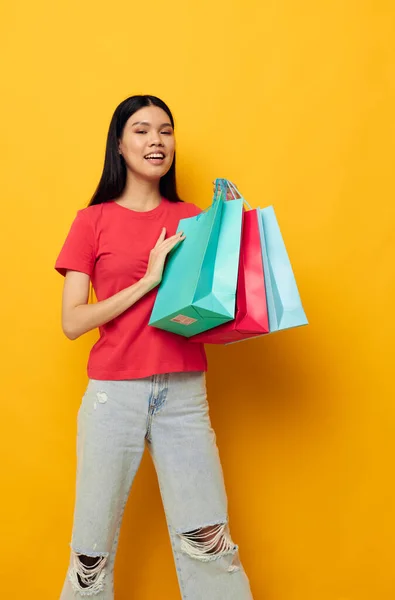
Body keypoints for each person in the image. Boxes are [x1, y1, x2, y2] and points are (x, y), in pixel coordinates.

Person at [55, 94, 253, 600]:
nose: (156, 141)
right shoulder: (91, 220)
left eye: (165, 130)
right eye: (141, 130)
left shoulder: (192, 217)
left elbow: (220, 313)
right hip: (112, 398)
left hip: (184, 396)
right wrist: (148, 281)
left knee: (210, 546)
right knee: (90, 559)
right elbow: (73, 322)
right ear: (119, 145)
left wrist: (235, 231)